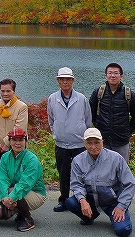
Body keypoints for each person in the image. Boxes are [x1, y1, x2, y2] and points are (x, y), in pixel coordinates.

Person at [66, 128, 135, 237]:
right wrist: (83, 201)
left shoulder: (115, 158)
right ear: (84, 143)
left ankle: (116, 214)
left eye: (97, 143)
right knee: (71, 203)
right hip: (92, 200)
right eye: (89, 143)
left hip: (113, 202)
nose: (93, 147)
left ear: (102, 142)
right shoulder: (78, 160)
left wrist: (121, 206)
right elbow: (77, 184)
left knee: (123, 231)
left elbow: (130, 183)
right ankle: (88, 217)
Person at [47, 67, 91, 212]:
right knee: (63, 172)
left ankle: (82, 200)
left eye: (68, 79)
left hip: (78, 142)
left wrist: (82, 133)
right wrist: (56, 134)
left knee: (81, 173)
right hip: (61, 143)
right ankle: (64, 200)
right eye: (62, 79)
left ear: (72, 81)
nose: (65, 82)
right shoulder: (53, 98)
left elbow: (87, 119)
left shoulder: (82, 98)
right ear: (58, 81)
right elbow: (51, 119)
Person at [0, 128, 46, 232]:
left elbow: (25, 184)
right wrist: (5, 198)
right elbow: (3, 179)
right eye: (14, 140)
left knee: (14, 192)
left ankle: (28, 219)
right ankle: (20, 213)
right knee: (0, 213)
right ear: (9, 141)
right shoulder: (5, 157)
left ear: (25, 141)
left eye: (21, 140)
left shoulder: (32, 159)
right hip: (13, 191)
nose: (17, 143)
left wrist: (11, 198)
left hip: (35, 193)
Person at [89, 63, 135, 163]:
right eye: (110, 73)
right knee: (102, 169)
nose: (112, 76)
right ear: (106, 75)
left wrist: (127, 131)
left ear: (121, 76)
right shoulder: (99, 92)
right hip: (102, 140)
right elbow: (90, 113)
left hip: (121, 141)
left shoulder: (128, 94)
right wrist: (98, 127)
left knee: (121, 169)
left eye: (115, 73)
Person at [0, 78, 28, 166]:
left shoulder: (22, 107)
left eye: (8, 91)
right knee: (1, 170)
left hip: (15, 146)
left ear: (13, 92)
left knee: (16, 171)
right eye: (2, 91)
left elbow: (19, 128)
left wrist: (7, 143)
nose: (5, 94)